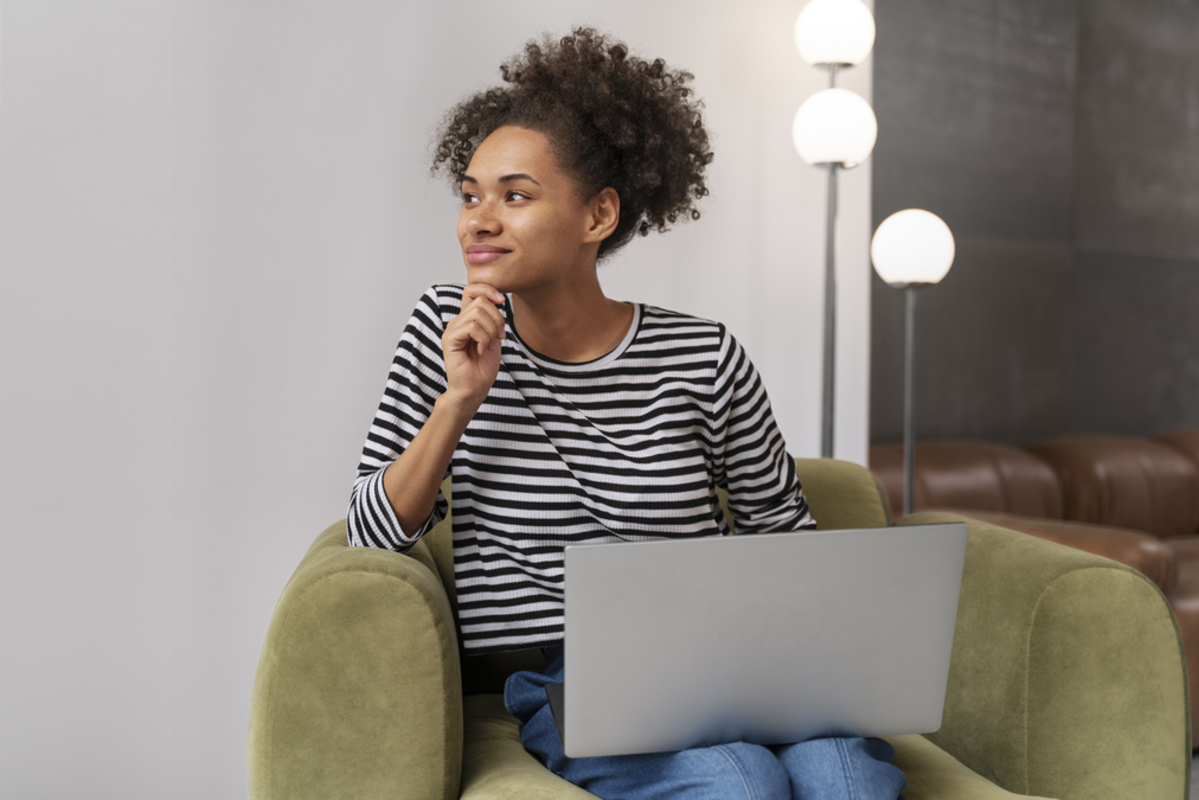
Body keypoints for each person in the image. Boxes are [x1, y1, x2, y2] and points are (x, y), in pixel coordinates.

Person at [347, 27, 905, 800]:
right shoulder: (445, 331)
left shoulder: (702, 355)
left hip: (730, 653)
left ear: (597, 215)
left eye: (515, 195)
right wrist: (460, 400)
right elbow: (372, 529)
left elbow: (784, 539)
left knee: (847, 781)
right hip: (573, 674)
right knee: (738, 786)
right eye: (470, 195)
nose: (477, 220)